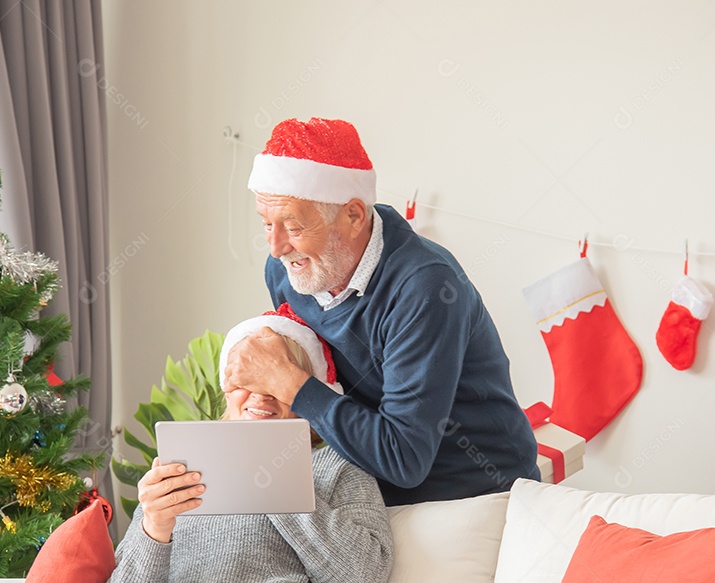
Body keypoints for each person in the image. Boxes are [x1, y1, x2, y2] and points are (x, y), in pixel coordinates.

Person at [43, 308, 394, 583]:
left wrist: (277, 479)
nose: (261, 396)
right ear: (228, 386)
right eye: (248, 379)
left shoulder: (337, 465)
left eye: (276, 380)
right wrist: (155, 528)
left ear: (306, 389)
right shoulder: (182, 468)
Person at [223, 116, 540, 506]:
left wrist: (286, 379)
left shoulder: (423, 288)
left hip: (468, 491)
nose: (276, 247)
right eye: (267, 224)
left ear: (354, 216)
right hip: (365, 485)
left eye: (293, 226)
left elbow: (404, 458)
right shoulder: (288, 269)